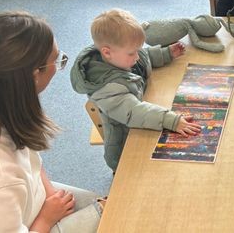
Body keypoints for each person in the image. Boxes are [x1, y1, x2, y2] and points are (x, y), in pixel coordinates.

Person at [0, 12, 103, 232]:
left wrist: (50, 195)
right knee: (110, 216)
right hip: (33, 224)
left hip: (36, 203)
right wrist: (47, 219)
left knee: (106, 206)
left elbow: (33, 162)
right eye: (56, 60)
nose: (58, 67)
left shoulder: (5, 105)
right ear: (34, 74)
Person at [70, 9, 201, 172]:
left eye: (137, 50)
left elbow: (142, 57)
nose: (137, 57)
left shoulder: (122, 57)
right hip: (125, 146)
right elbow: (135, 112)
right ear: (107, 52)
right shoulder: (106, 88)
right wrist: (172, 120)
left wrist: (164, 54)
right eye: (132, 53)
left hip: (145, 123)